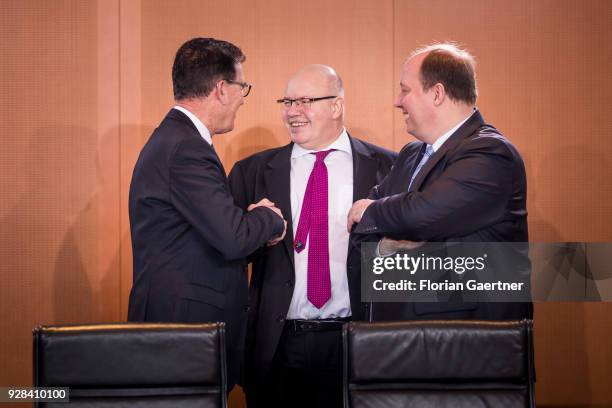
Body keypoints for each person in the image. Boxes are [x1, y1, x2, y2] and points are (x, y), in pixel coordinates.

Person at [228, 64, 396, 407]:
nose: (292, 112)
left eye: (304, 101)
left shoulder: (388, 168)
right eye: (287, 102)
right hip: (276, 346)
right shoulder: (252, 172)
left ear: (336, 105)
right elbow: (229, 253)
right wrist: (249, 227)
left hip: (358, 342)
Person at [127, 37, 286, 391]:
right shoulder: (186, 148)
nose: (243, 98)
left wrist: (244, 222)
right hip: (182, 333)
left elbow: (212, 231)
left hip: (183, 329)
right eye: (242, 86)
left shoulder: (178, 140)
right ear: (221, 89)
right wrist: (269, 217)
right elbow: (233, 237)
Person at [347, 43, 532, 320]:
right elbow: (362, 230)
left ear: (437, 94)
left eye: (405, 90)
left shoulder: (491, 154)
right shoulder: (410, 154)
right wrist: (391, 242)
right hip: (397, 337)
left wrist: (373, 212)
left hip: (467, 343)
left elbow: (421, 214)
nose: (397, 101)